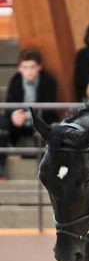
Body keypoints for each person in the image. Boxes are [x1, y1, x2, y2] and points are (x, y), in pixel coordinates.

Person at [0, 49, 58, 179]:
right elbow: (9, 103)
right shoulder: (15, 80)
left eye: (32, 67)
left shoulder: (48, 81)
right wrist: (15, 115)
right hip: (19, 123)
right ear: (20, 68)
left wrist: (28, 116)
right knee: (2, 123)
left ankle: (45, 172)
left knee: (43, 129)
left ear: (39, 67)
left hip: (39, 120)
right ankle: (0, 168)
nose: (29, 71)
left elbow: (48, 107)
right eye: (25, 67)